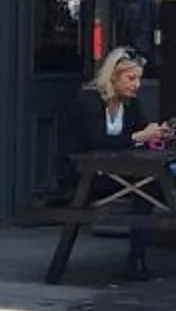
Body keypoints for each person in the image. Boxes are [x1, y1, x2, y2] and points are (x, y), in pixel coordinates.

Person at [62, 47, 159, 281]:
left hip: (117, 173)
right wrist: (138, 137)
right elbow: (98, 140)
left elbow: (140, 131)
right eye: (131, 78)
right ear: (113, 76)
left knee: (151, 187)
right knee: (145, 187)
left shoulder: (131, 103)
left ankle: (137, 257)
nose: (136, 85)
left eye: (139, 79)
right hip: (84, 175)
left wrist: (155, 135)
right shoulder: (88, 99)